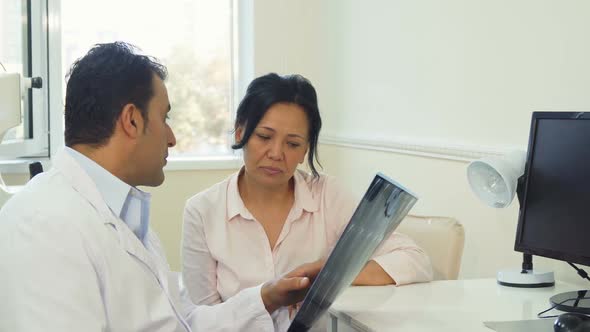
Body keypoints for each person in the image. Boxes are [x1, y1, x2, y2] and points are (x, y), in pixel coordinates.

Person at [0, 42, 322, 332]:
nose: (171, 138)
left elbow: (180, 323)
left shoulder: (124, 214)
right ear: (132, 120)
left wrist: (267, 297)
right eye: (164, 118)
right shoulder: (43, 224)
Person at [181, 73, 434, 330]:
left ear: (305, 150)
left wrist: (326, 275)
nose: (276, 153)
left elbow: (414, 259)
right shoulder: (202, 211)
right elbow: (199, 321)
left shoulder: (327, 195)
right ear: (239, 132)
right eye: (264, 137)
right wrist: (266, 298)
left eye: (292, 143)